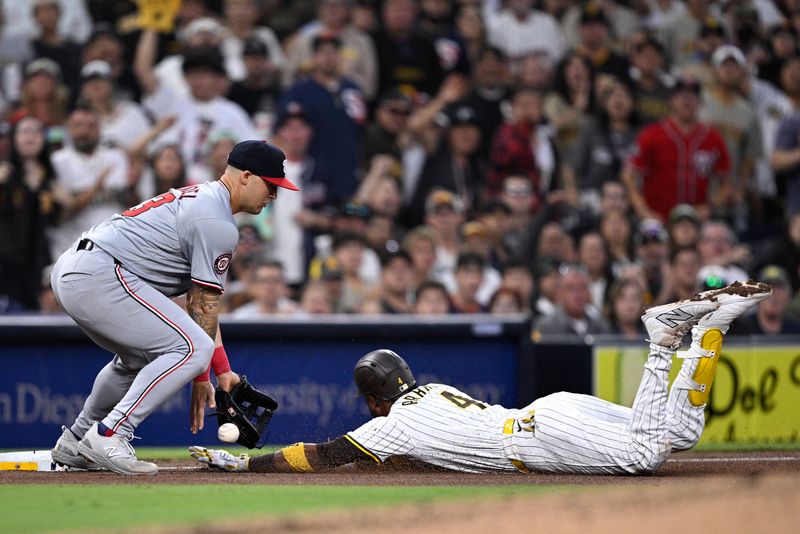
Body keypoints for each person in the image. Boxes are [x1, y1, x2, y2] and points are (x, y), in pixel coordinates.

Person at [191, 281, 772, 474]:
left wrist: (244, 461)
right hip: (551, 413)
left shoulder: (394, 428)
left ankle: (662, 337)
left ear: (373, 400)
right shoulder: (435, 390)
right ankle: (711, 329)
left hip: (542, 436)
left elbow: (319, 455)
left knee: (647, 453)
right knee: (680, 433)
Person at [49, 140, 299, 475]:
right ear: (246, 176)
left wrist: (220, 372)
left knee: (137, 360)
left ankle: (78, 439)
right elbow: (201, 311)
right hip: (100, 274)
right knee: (191, 347)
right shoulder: (217, 222)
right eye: (271, 186)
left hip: (81, 270)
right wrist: (201, 373)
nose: (274, 196)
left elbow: (202, 304)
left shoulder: (209, 201)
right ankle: (110, 433)